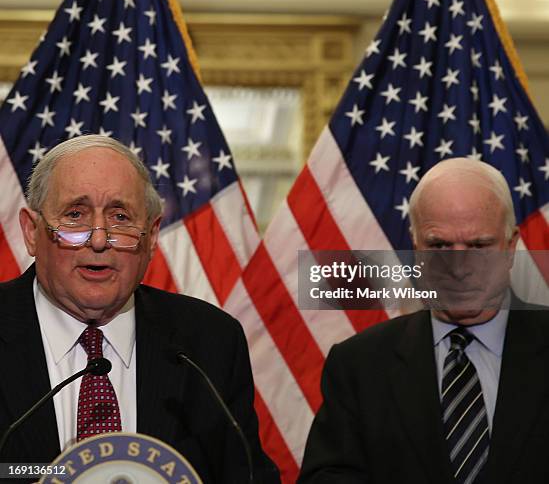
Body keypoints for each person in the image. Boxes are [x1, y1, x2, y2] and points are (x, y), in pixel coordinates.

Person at [0, 134, 279, 484]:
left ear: (151, 236)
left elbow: (247, 475)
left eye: (120, 217)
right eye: (75, 214)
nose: (99, 240)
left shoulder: (209, 342)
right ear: (31, 231)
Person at [298, 157, 549, 484]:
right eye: (439, 245)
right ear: (416, 248)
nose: (458, 268)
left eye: (478, 245)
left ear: (511, 246)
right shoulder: (358, 365)